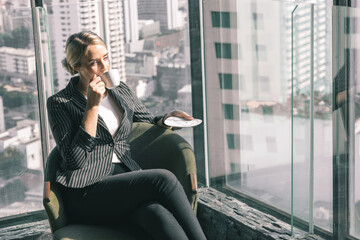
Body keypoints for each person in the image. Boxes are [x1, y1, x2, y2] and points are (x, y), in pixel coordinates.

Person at [47, 30, 206, 240]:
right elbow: (74, 161)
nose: (104, 67)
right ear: (77, 67)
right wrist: (92, 107)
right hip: (86, 193)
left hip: (123, 183)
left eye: (105, 58)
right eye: (94, 62)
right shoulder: (60, 103)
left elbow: (146, 120)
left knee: (156, 213)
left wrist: (168, 118)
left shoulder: (119, 90)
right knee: (163, 179)